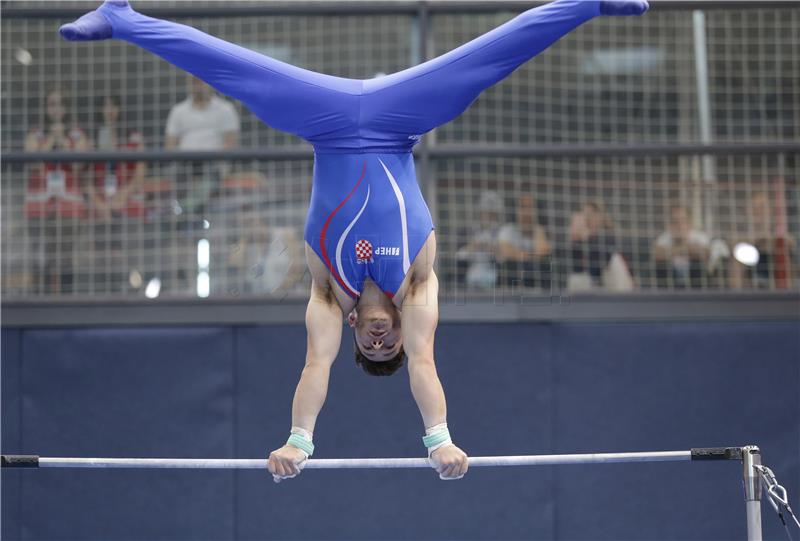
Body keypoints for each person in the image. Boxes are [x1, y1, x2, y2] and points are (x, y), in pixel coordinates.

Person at [60, 0, 649, 481]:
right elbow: (424, 361)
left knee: (228, 67)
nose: (379, 339)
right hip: (399, 122)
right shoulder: (417, 287)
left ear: (354, 336)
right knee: (487, 60)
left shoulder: (326, 294)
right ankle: (587, 1)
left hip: (324, 124)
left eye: (370, 349)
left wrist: (298, 442)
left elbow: (316, 364)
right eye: (386, 343)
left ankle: (124, 18)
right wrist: (439, 440)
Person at [24, 88, 90, 294]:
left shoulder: (77, 133)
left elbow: (80, 164)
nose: (56, 109)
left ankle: (66, 300)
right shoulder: (36, 133)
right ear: (46, 108)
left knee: (65, 257)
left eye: (60, 104)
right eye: (52, 104)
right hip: (40, 206)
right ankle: (38, 303)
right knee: (41, 256)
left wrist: (63, 140)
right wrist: (52, 139)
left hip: (69, 208)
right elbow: (33, 161)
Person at [89, 95, 147, 294]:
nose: (109, 110)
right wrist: (100, 203)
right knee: (104, 258)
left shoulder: (133, 137)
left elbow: (141, 171)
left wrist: (123, 195)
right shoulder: (93, 138)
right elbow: (85, 176)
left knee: (131, 256)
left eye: (113, 105)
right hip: (101, 208)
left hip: (128, 205)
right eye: (105, 106)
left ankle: (134, 294)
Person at [165, 75, 240, 216]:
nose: (198, 85)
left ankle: (186, 211)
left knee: (212, 176)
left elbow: (231, 143)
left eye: (201, 81)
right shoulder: (178, 111)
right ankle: (189, 210)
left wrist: (218, 159)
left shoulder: (226, 109)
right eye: (194, 81)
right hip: (185, 162)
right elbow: (170, 145)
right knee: (176, 172)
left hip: (213, 162)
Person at [497, 195, 552, 290]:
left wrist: (537, 230)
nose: (526, 213)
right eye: (522, 208)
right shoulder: (508, 230)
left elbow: (543, 252)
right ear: (516, 211)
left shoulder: (540, 230)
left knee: (543, 266)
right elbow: (507, 253)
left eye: (530, 208)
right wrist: (532, 256)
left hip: (535, 279)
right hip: (512, 280)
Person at [653, 205, 711, 289]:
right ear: (670, 224)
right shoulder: (665, 237)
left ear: (689, 223)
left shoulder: (699, 236)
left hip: (695, 281)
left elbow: (705, 254)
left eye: (683, 221)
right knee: (661, 266)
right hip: (672, 281)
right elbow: (657, 255)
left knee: (699, 264)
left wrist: (673, 250)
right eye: (675, 222)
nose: (679, 226)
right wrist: (686, 248)